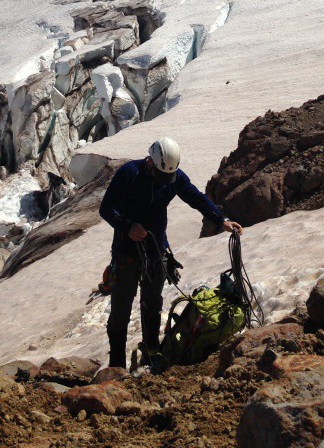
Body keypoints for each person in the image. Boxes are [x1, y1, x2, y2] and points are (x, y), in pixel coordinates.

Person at [99, 136, 242, 369]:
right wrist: (127, 226)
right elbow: (106, 209)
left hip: (156, 252)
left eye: (170, 177)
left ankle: (151, 353)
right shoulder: (129, 173)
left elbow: (195, 197)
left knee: (152, 303)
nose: (166, 182)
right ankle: (117, 367)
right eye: (162, 176)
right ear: (151, 163)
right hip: (127, 252)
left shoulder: (172, 176)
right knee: (121, 310)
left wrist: (221, 219)